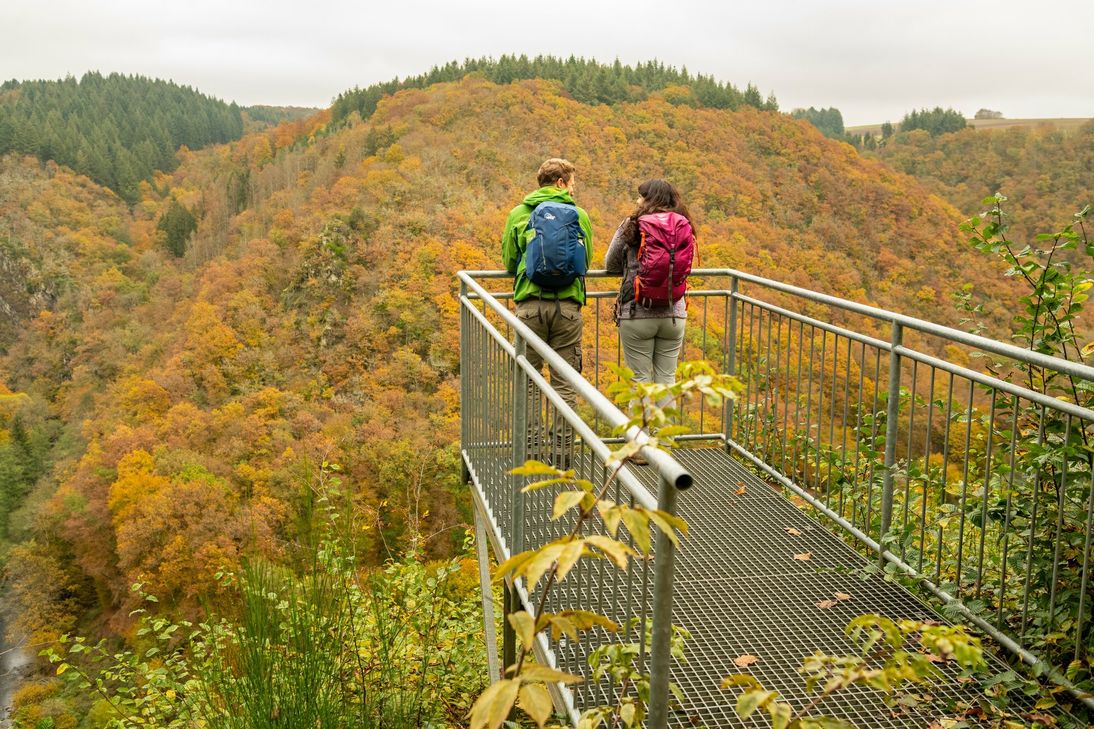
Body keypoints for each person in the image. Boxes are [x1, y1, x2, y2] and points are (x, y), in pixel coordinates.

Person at [502, 158, 594, 466]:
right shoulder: (578, 215)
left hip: (529, 307)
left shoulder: (519, 212)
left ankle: (530, 451)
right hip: (567, 308)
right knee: (564, 381)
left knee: (529, 379)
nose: (573, 188)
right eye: (571, 183)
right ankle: (562, 454)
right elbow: (587, 260)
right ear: (561, 183)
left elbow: (509, 260)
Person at [604, 179, 695, 453]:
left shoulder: (632, 224)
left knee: (640, 381)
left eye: (640, 197)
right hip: (674, 315)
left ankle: (639, 450)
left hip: (637, 313)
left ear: (649, 199)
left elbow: (610, 264)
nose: (637, 201)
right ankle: (665, 445)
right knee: (667, 379)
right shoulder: (684, 225)